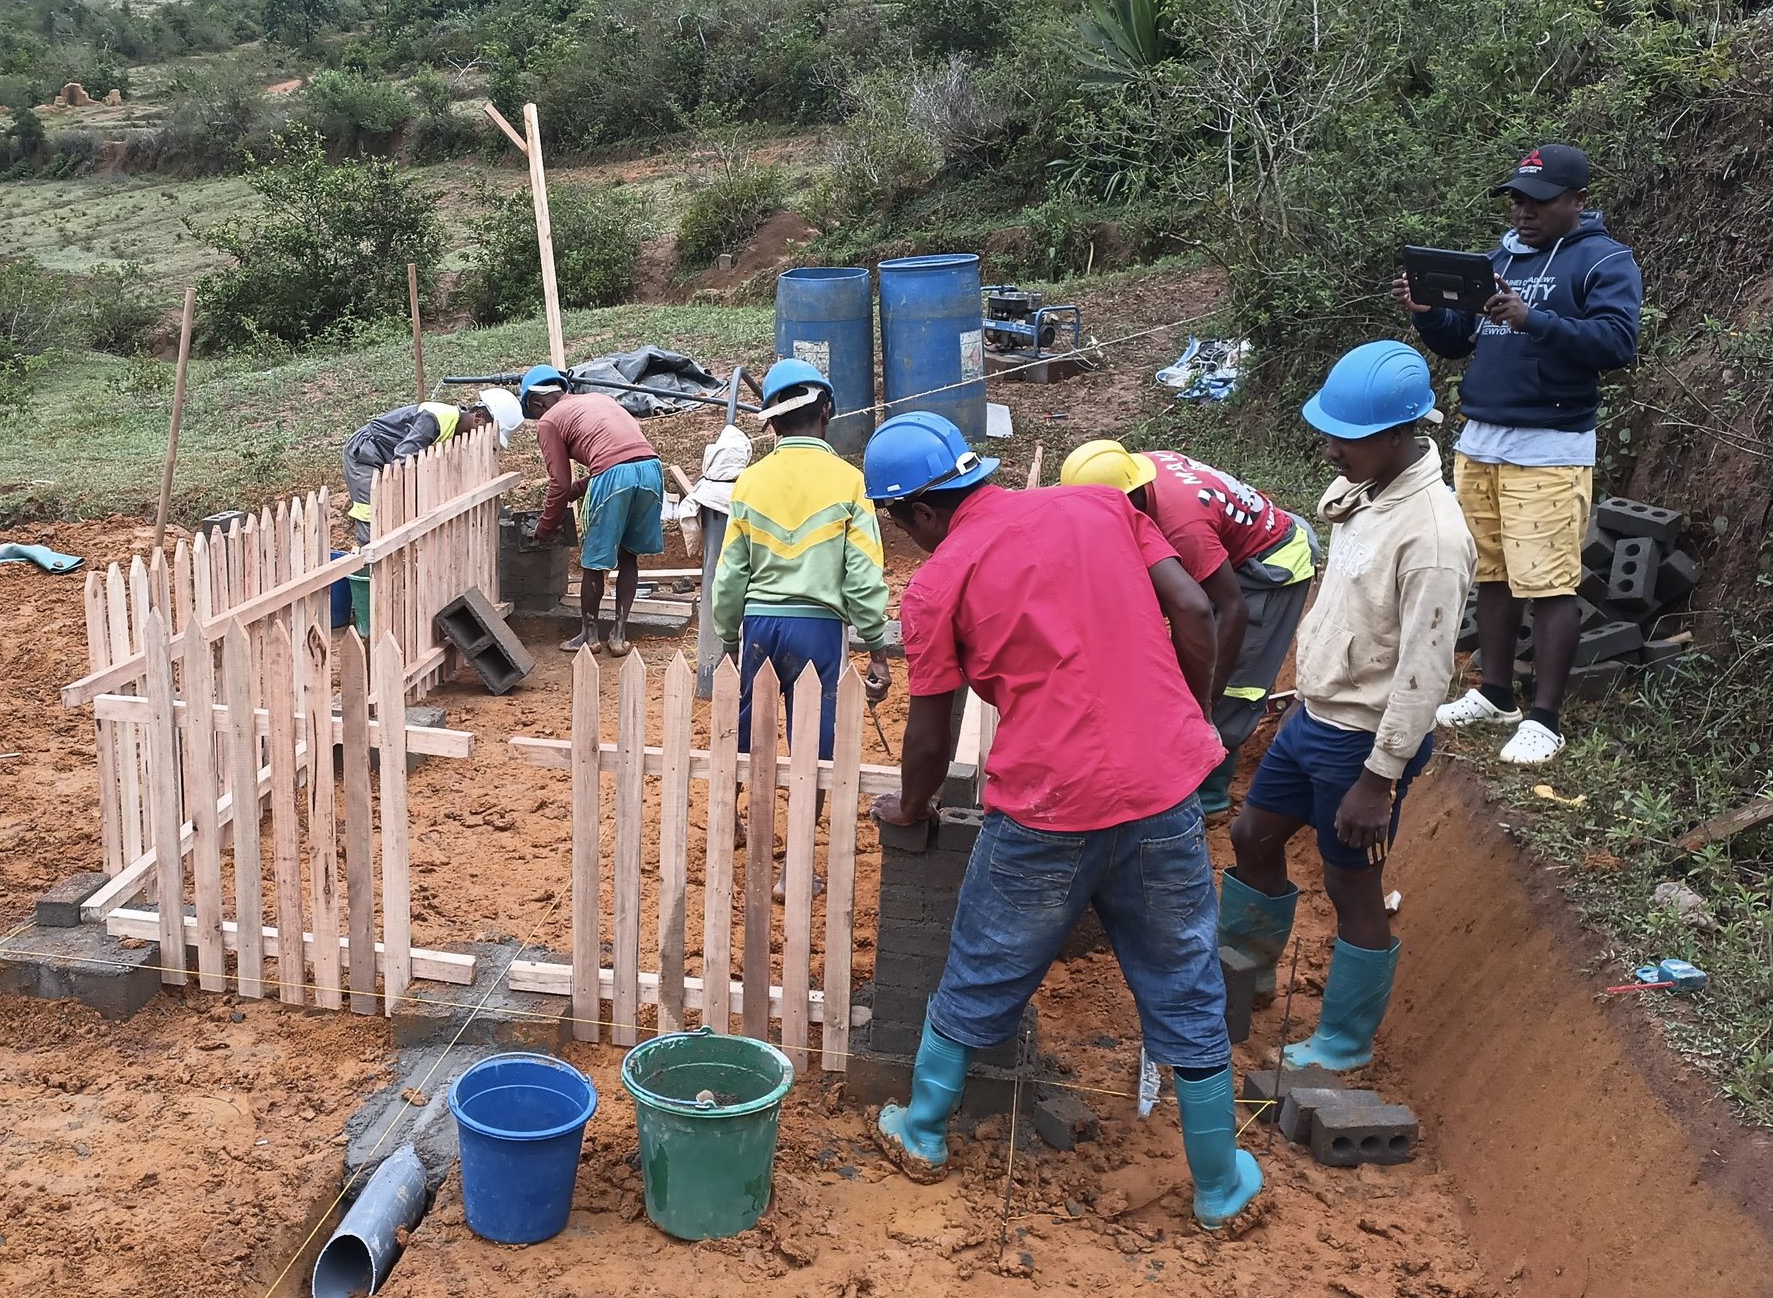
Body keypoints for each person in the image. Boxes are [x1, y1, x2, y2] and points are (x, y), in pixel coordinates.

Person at [863, 411, 1262, 1231]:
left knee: (984, 964)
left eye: (903, 526)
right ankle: (1220, 1183)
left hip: (1047, 804)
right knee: (1185, 978)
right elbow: (1194, 608)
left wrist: (910, 805)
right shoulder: (1100, 506)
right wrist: (1188, 717)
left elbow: (931, 729)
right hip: (1162, 791)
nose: (910, 543)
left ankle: (925, 1130)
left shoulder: (939, 582)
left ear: (923, 513)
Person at [1224, 342, 1473, 1068]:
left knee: (1352, 883)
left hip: (1361, 740)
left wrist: (1379, 776)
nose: (1331, 447)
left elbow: (1427, 671)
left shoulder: (1432, 536)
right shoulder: (1369, 494)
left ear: (1400, 435)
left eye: (1347, 437)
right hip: (1315, 717)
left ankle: (1342, 1042)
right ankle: (1250, 969)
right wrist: (1353, 479)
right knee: (1252, 834)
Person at [1402, 142, 1641, 767]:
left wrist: (1534, 319)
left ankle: (1545, 719)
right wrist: (1428, 314)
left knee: (1551, 583)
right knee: (1493, 573)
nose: (1522, 210)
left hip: (1550, 446)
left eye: (1537, 200)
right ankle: (1497, 694)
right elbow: (1462, 341)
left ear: (1576, 201)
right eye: (1516, 198)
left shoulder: (1604, 260)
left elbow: (1617, 343)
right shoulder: (1498, 256)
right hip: (1481, 438)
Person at [1060, 440, 1318, 817]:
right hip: (1228, 552)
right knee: (1193, 647)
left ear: (1130, 500)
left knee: (1236, 677)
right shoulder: (1134, 472)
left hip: (1272, 565)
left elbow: (1234, 610)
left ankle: (1209, 793)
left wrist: (1205, 703)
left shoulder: (1184, 528)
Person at [709, 358, 892, 756]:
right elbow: (862, 574)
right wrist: (877, 649)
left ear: (772, 423)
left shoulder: (748, 482)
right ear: (827, 411)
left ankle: (740, 810)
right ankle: (809, 817)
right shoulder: (849, 481)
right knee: (818, 736)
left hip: (759, 626)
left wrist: (727, 638)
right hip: (820, 629)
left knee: (749, 732)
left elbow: (729, 575)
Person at [520, 365, 666, 654]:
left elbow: (559, 483)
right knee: (628, 556)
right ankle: (619, 635)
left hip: (613, 476)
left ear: (536, 403)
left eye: (534, 412)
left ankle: (589, 634)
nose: (537, 418)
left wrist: (545, 528)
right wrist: (579, 489)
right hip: (651, 469)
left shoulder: (549, 420)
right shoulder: (600, 399)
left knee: (594, 562)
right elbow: (623, 453)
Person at [342, 389, 522, 544]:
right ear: (479, 417)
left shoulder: (457, 432)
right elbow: (403, 460)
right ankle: (367, 567)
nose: (488, 440)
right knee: (371, 513)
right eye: (490, 432)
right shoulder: (435, 419)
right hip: (366, 452)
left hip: (387, 454)